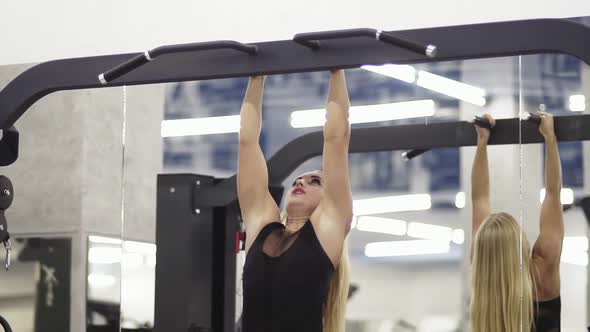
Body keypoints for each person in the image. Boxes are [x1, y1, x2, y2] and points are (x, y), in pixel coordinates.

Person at [237, 71, 353, 332]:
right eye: (298, 180)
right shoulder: (262, 227)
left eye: (315, 181)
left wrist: (336, 69)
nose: (300, 182)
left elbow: (336, 137)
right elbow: (247, 141)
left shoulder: (326, 232)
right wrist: (257, 77)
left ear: (329, 200)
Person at [471, 112, 563, 332]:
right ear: (520, 243)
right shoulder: (542, 272)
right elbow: (552, 194)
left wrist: (482, 142)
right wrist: (549, 137)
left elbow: (479, 199)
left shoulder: (483, 280)